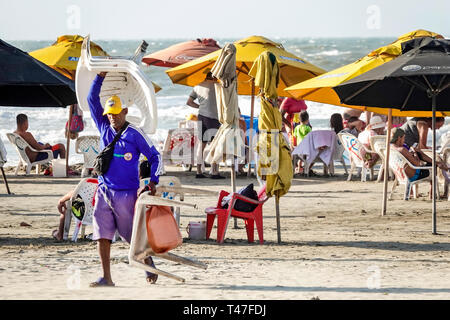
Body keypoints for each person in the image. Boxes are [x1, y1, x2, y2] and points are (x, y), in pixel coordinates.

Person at [87, 71, 163, 287]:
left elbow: (155, 157)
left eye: (116, 113)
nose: (112, 117)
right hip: (104, 191)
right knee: (102, 235)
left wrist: (152, 181)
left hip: (127, 194)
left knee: (130, 237)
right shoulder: (104, 128)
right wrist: (99, 77)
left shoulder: (134, 133)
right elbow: (91, 100)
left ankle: (148, 262)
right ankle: (106, 277)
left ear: (125, 111)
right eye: (109, 114)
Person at [186, 72, 225, 179]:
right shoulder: (218, 86)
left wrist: (201, 106)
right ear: (214, 76)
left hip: (201, 117)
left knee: (201, 144)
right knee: (215, 145)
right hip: (213, 118)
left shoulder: (198, 86)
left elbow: (189, 102)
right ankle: (214, 171)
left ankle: (198, 171)